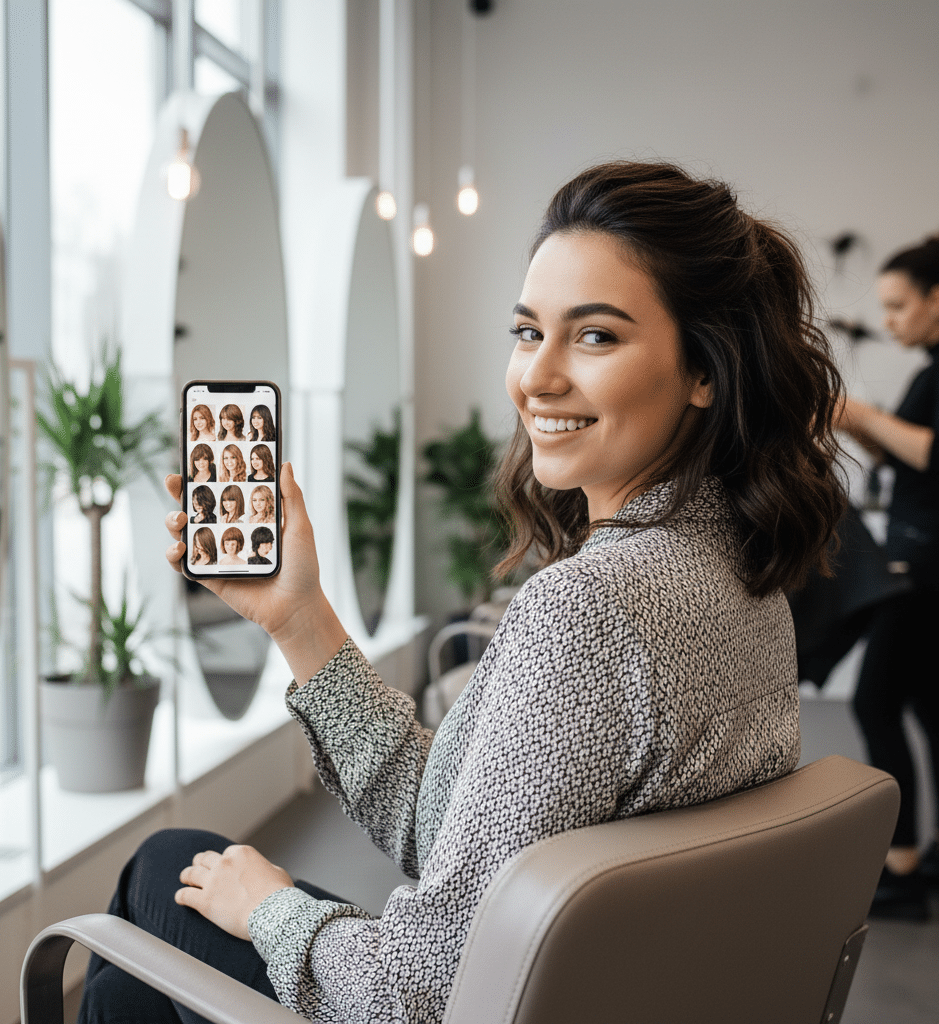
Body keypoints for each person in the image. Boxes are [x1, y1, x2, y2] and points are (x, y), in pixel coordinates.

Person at [79, 161, 845, 1024]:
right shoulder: (745, 586)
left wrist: (268, 908)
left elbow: (417, 994)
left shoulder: (590, 610)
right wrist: (299, 617)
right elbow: (447, 834)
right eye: (527, 332)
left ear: (705, 369)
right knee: (151, 937)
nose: (537, 378)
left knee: (161, 875)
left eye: (595, 337)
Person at [834, 235, 939, 920]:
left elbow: (931, 453)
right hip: (920, 563)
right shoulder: (928, 373)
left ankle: (899, 865)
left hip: (927, 573)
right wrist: (863, 428)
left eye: (900, 306)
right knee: (930, 710)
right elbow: (909, 457)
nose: (891, 320)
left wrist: (864, 416)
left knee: (874, 702)